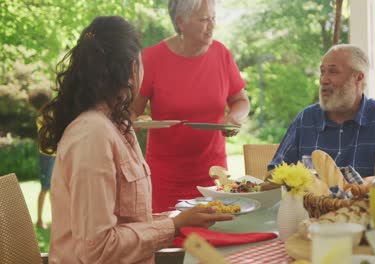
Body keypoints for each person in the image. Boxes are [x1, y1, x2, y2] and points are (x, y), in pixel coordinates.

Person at [38, 16, 234, 263]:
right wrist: (174, 226)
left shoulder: (117, 127)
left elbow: (128, 222)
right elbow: (98, 249)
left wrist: (182, 217)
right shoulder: (92, 136)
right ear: (132, 69)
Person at [132, 0, 250, 213]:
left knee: (212, 239)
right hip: (165, 177)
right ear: (181, 22)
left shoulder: (221, 54)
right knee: (167, 238)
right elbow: (132, 110)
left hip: (214, 176)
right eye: (204, 19)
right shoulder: (152, 58)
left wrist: (234, 118)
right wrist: (133, 122)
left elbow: (241, 101)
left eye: (213, 18)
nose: (212, 25)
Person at [268, 44, 375, 187]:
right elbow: (272, 175)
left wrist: (359, 185)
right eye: (322, 72)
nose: (323, 80)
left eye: (333, 71)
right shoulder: (306, 119)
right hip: (310, 216)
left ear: (358, 77)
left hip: (368, 215)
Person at [29, 89, 55, 229]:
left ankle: (55, 218)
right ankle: (39, 220)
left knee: (54, 189)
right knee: (45, 187)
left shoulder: (50, 115)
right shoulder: (42, 119)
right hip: (47, 157)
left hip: (55, 155)